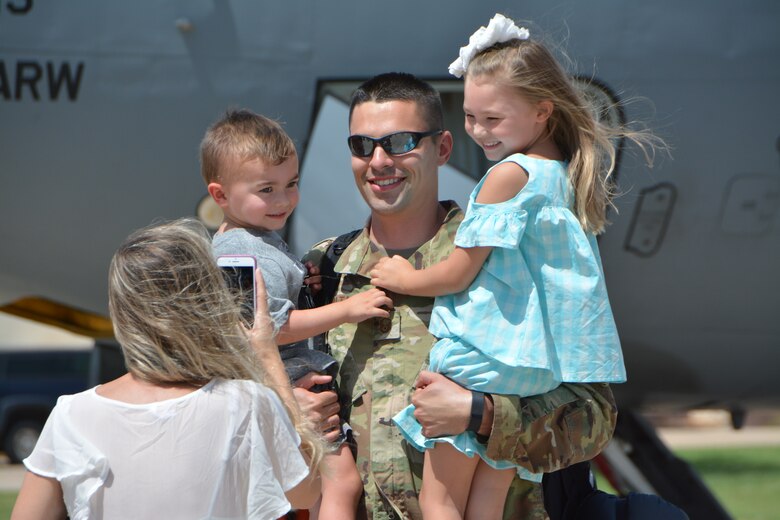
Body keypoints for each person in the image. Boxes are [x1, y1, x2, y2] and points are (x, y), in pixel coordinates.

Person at [300, 70, 620, 520]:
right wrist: (289, 408)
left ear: (443, 148)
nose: (378, 161)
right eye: (361, 146)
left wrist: (480, 415)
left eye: (399, 142)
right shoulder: (325, 269)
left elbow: (593, 417)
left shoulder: (508, 259)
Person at [368, 13, 651, 519]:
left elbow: (458, 271)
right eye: (470, 116)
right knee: (486, 507)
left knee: (440, 504)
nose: (477, 131)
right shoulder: (561, 178)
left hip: (478, 364)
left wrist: (404, 277)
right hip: (526, 373)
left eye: (491, 119)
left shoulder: (508, 176)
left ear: (543, 112)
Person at [11, 218, 322, 520]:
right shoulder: (247, 403)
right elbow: (307, 492)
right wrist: (268, 356)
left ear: (119, 309)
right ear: (209, 302)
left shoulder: (71, 414)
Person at [200, 110, 389, 520]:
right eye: (266, 189)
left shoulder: (247, 240)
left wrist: (305, 287)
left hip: (274, 385)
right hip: (289, 382)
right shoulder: (248, 251)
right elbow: (270, 329)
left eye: (292, 184)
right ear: (220, 196)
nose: (283, 200)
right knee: (341, 482)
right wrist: (347, 310)